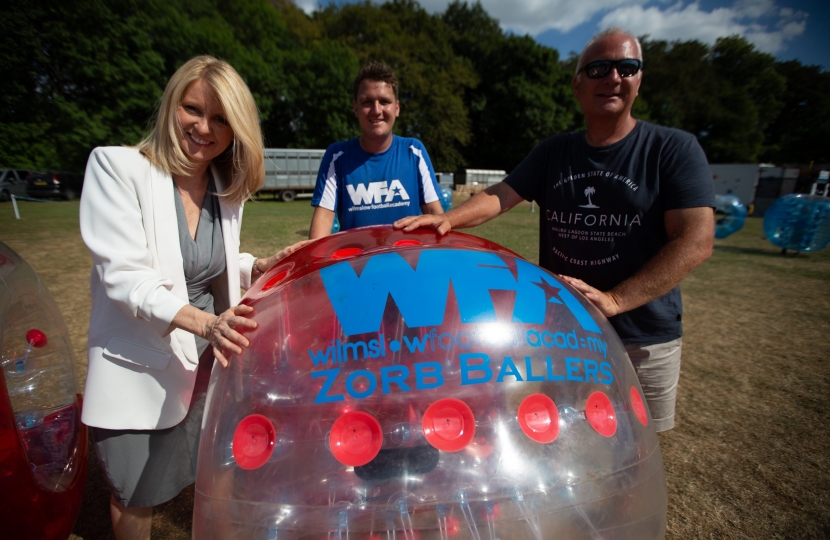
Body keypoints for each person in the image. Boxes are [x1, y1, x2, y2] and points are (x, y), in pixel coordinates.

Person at [396, 28, 715, 433]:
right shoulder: (554, 152)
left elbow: (695, 240)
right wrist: (449, 219)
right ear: (577, 84)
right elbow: (502, 194)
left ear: (639, 80)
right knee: (565, 433)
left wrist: (616, 300)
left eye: (626, 67)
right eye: (598, 68)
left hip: (643, 336)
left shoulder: (673, 149)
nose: (613, 77)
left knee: (639, 444)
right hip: (568, 332)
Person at [79, 56, 309, 540]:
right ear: (171, 106)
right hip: (140, 363)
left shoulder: (226, 187)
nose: (204, 128)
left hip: (211, 359)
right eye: (193, 109)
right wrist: (204, 324)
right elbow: (125, 277)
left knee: (218, 471)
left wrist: (255, 268)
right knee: (135, 494)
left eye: (222, 118)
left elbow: (210, 266)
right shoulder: (115, 167)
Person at [308, 62, 443, 239]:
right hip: (357, 265)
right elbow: (323, 221)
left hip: (408, 264)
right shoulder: (337, 156)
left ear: (397, 108)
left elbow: (436, 215)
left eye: (385, 101)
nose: (376, 110)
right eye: (367, 102)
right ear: (355, 108)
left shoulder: (414, 151)